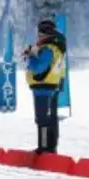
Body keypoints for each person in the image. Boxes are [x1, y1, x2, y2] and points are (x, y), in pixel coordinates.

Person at [24, 19, 66, 154]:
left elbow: (38, 68)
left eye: (39, 33)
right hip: (52, 85)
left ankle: (43, 148)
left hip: (43, 87)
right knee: (51, 117)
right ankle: (51, 147)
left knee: (42, 119)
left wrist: (30, 57)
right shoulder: (56, 48)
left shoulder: (47, 48)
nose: (38, 36)